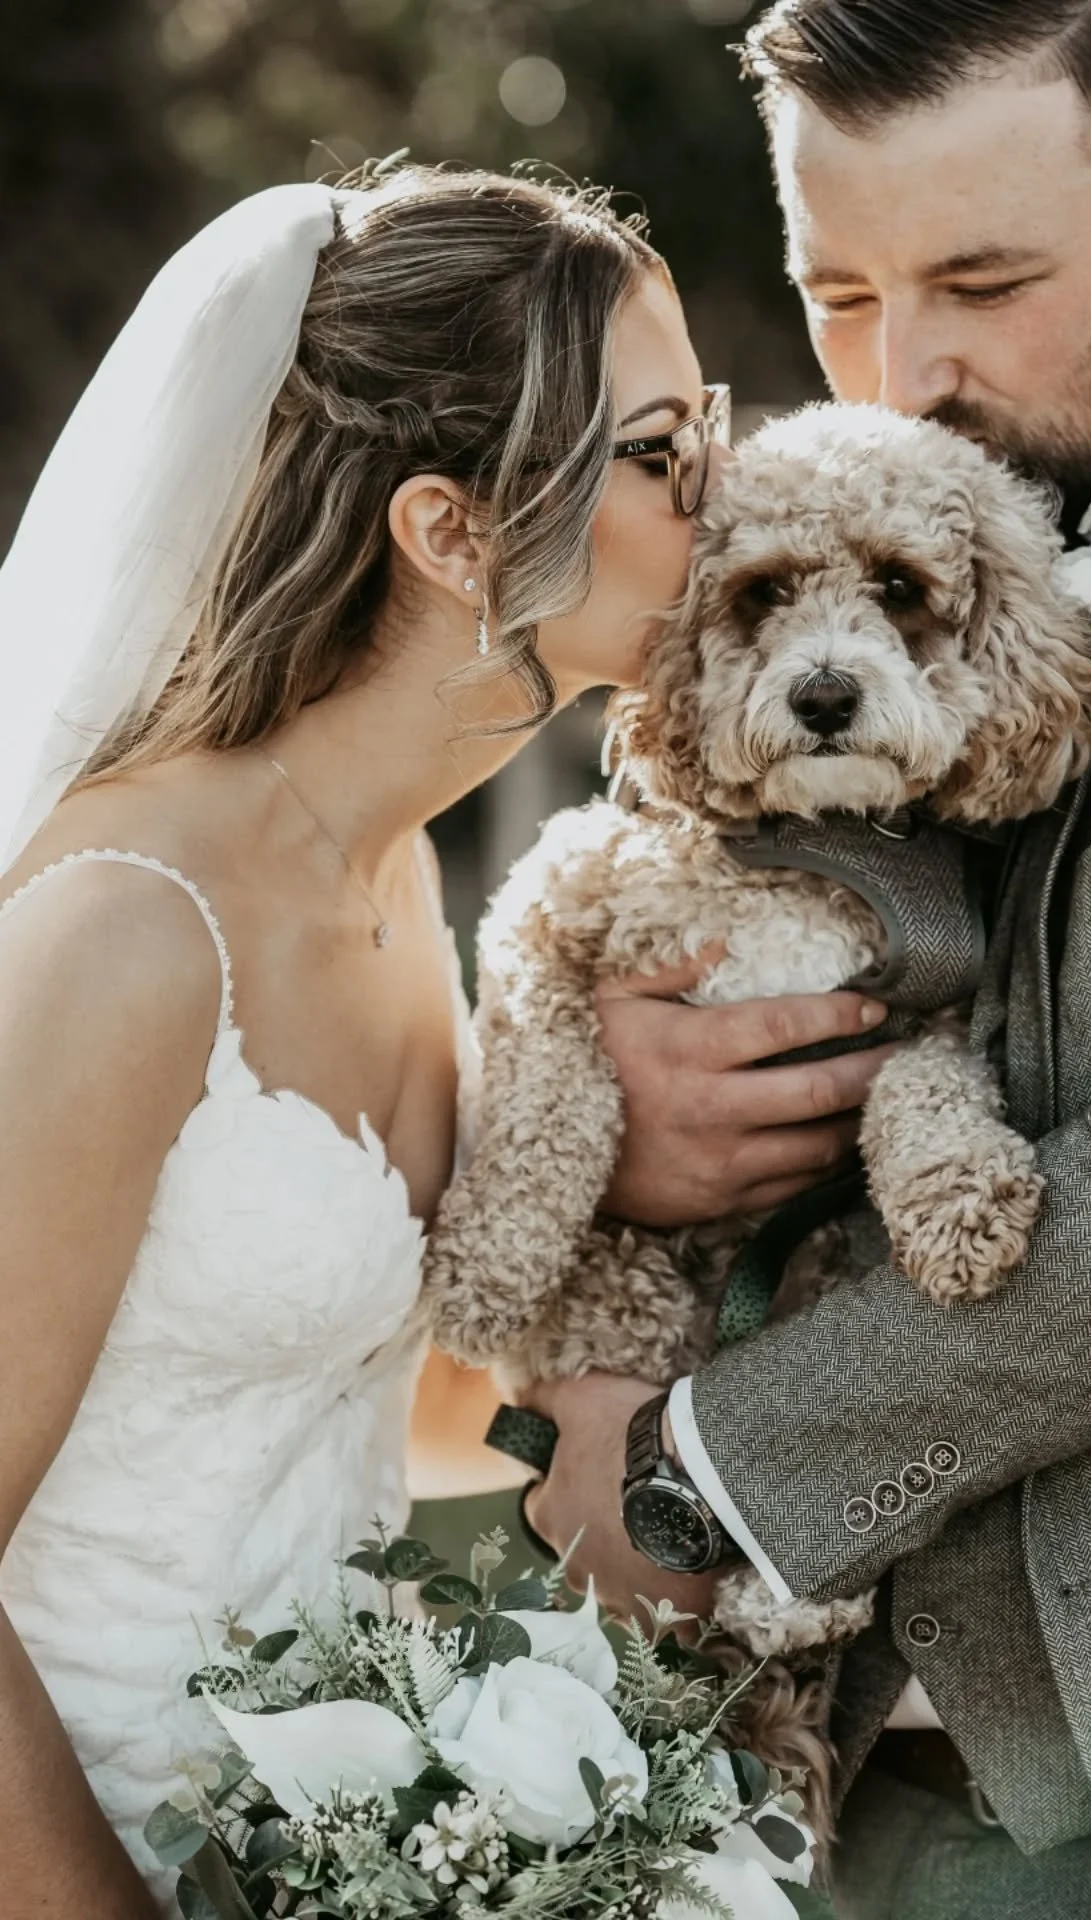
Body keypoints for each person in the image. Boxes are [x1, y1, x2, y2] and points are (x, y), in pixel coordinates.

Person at [522, 4, 1091, 1917]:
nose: (902, 376)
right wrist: (652, 1128)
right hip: (842, 1792)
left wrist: (698, 1472)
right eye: (838, 293)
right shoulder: (830, 519)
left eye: (984, 283)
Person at [0, 163, 828, 1915]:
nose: (727, 499)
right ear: (454, 534)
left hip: (311, 1845)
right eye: (663, 453)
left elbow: (363, 1391)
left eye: (713, 431)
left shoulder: (395, 878)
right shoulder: (127, 930)